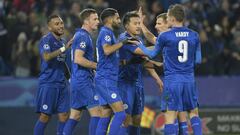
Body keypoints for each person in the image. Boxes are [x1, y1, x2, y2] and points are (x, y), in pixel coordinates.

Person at [137, 4, 202, 135]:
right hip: (189, 79)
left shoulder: (166, 37)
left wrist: (139, 45)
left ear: (171, 19)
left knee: (170, 115)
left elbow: (151, 54)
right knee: (193, 113)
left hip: (172, 80)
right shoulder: (194, 35)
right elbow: (198, 60)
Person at [117, 11, 163, 135]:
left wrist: (157, 78)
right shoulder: (125, 39)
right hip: (124, 84)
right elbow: (145, 52)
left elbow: (143, 61)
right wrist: (165, 44)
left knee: (137, 119)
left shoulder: (139, 39)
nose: (138, 26)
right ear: (127, 26)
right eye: (135, 23)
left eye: (139, 23)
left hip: (137, 84)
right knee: (125, 118)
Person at [94, 8, 134, 135]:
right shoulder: (106, 33)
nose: (119, 21)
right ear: (110, 19)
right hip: (106, 79)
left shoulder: (109, 33)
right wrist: (123, 43)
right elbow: (107, 50)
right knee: (121, 114)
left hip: (107, 78)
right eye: (117, 18)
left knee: (106, 114)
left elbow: (110, 57)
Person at [62, 9, 100, 135]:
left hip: (77, 80)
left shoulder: (79, 35)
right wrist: (97, 66)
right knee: (97, 113)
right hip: (83, 82)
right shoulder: (83, 36)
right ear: (86, 21)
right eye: (94, 19)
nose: (98, 22)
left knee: (75, 115)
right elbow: (78, 59)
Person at [34, 15, 73, 135]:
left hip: (62, 84)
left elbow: (65, 64)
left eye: (61, 23)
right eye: (57, 24)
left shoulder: (63, 42)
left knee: (64, 116)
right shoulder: (46, 40)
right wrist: (63, 49)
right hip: (48, 84)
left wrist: (71, 78)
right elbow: (46, 57)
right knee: (45, 116)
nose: (61, 26)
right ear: (50, 27)